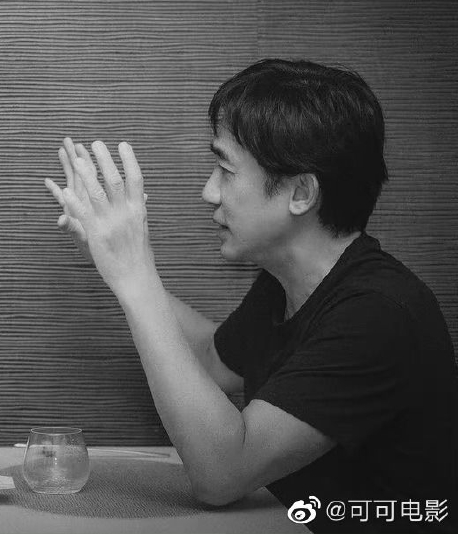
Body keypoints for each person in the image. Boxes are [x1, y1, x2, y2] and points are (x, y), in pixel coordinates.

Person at [45, 59, 457, 533]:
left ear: (301, 192)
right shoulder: (287, 281)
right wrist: (113, 261)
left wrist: (134, 275)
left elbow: (222, 474)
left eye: (225, 169)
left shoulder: (378, 315)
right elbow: (208, 361)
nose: (209, 192)